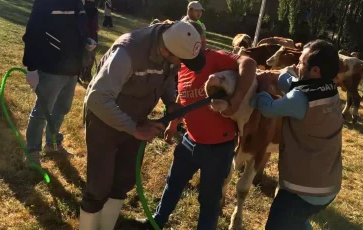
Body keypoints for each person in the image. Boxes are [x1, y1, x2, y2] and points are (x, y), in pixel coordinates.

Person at [79, 21, 206, 230]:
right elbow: (97, 99)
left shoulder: (172, 49)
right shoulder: (128, 52)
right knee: (99, 186)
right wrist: (134, 129)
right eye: (181, 61)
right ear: (166, 51)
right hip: (104, 120)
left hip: (136, 120)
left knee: (123, 181)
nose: (181, 65)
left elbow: (164, 79)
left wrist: (170, 102)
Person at [136, 23, 257, 230]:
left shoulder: (217, 58)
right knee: (173, 183)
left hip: (218, 147)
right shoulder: (182, 66)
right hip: (190, 140)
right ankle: (156, 221)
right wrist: (173, 124)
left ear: (202, 42)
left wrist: (235, 100)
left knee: (209, 200)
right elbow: (184, 101)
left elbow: (249, 63)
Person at [251, 39, 343, 230]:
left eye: (300, 62)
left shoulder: (300, 99)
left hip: (303, 191)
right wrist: (281, 76)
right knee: (297, 222)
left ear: (315, 71)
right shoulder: (330, 90)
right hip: (328, 185)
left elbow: (268, 108)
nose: (295, 65)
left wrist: (262, 90)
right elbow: (296, 86)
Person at [22, 0, 88, 166]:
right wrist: (31, 67)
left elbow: (78, 28)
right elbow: (32, 32)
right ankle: (32, 152)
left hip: (72, 69)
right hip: (51, 67)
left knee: (62, 108)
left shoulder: (79, 3)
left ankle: (52, 143)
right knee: (42, 111)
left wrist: (85, 43)